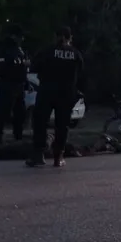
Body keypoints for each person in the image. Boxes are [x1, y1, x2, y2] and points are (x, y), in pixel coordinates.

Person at [27, 27, 84, 168]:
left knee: (40, 122)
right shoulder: (76, 53)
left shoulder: (46, 51)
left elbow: (33, 67)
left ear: (55, 36)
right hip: (66, 93)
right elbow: (82, 73)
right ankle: (58, 158)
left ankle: (38, 155)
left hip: (47, 91)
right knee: (62, 125)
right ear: (70, 38)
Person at [0, 24, 29, 145]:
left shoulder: (19, 49)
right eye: (20, 37)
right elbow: (2, 67)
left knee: (20, 112)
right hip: (8, 84)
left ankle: (18, 135)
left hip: (19, 84)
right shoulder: (6, 48)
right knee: (3, 112)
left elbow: (23, 65)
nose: (22, 39)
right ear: (15, 36)